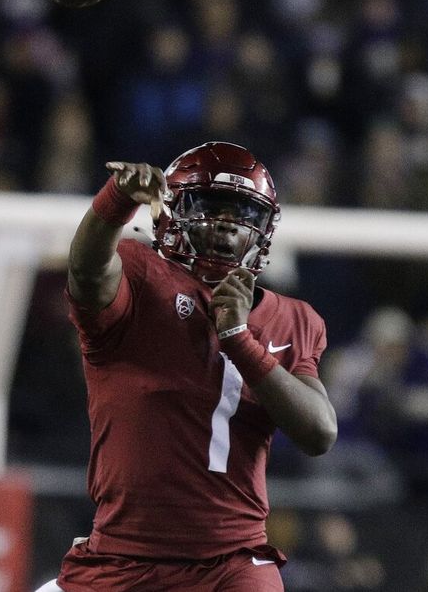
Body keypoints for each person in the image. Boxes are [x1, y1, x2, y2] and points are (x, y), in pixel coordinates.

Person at [36, 142, 338, 591]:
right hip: (120, 557)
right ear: (173, 211)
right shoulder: (140, 277)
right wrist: (115, 200)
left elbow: (319, 432)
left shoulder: (293, 319)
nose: (225, 225)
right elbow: (86, 274)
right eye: (210, 207)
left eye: (242, 214)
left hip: (231, 563)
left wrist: (239, 340)